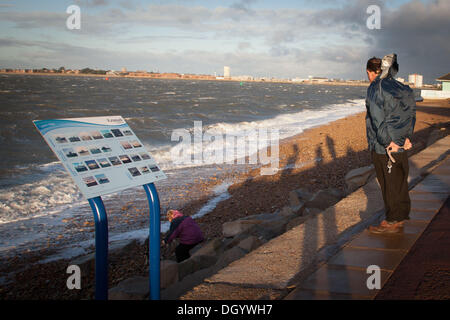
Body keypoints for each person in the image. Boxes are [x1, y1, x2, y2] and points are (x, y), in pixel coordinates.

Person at [365, 54, 416, 234]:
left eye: (369, 73)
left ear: (370, 72)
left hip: (385, 148)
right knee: (400, 182)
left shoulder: (375, 88)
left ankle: (393, 220)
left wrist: (388, 143)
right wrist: (407, 137)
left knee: (389, 184)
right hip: (402, 144)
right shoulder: (403, 87)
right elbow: (411, 112)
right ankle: (400, 216)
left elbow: (378, 122)